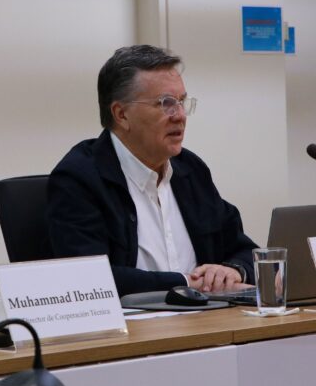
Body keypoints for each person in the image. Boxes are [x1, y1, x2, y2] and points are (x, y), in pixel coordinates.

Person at [47, 45, 256, 296]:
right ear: (121, 114)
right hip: (132, 330)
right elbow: (89, 278)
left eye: (181, 101)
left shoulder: (190, 170)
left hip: (209, 322)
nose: (179, 115)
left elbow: (244, 249)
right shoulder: (80, 178)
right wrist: (185, 284)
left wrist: (234, 270)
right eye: (166, 103)